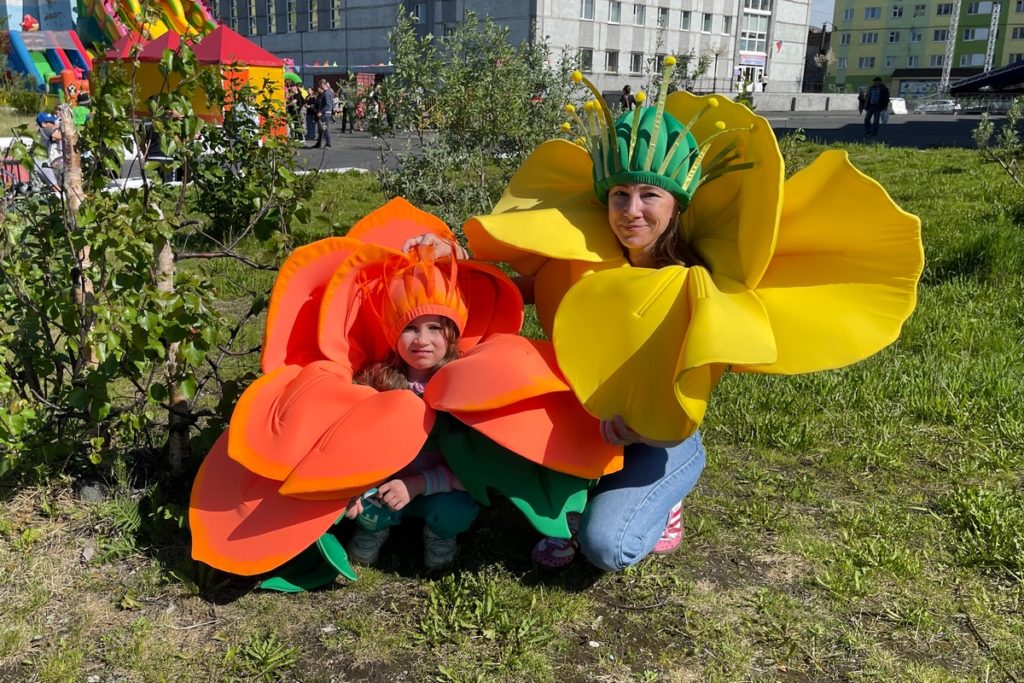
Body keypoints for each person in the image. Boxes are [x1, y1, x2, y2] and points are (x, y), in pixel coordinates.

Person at [412, 59, 923, 573]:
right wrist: (450, 261)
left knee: (609, 547)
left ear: (676, 205)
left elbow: (688, 382)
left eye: (649, 195)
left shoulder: (701, 281)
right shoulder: (584, 254)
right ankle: (572, 491)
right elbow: (514, 289)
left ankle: (671, 482)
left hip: (655, 430)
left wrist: (645, 432)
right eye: (620, 195)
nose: (631, 210)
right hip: (581, 410)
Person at [343, 282, 478, 569]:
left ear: (452, 334)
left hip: (441, 487)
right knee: (366, 505)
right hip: (383, 487)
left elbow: (475, 467)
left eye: (434, 328)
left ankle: (440, 534)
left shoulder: (465, 384)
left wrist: (418, 484)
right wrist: (351, 485)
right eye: (410, 328)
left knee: (458, 508)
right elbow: (355, 439)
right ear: (393, 333)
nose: (421, 340)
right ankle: (373, 529)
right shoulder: (377, 380)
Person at [35, 112, 63, 189]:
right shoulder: (46, 130)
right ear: (43, 124)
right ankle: (63, 198)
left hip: (37, 158)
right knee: (53, 183)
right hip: (40, 160)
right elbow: (61, 137)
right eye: (51, 122)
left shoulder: (41, 131)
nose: (54, 123)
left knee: (50, 182)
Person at [312, 79, 334, 148]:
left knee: (325, 129)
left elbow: (328, 105)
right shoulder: (327, 92)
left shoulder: (327, 93)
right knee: (321, 129)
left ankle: (328, 144)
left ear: (322, 84)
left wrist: (321, 112)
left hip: (325, 114)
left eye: (320, 85)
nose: (319, 87)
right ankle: (319, 143)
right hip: (325, 113)